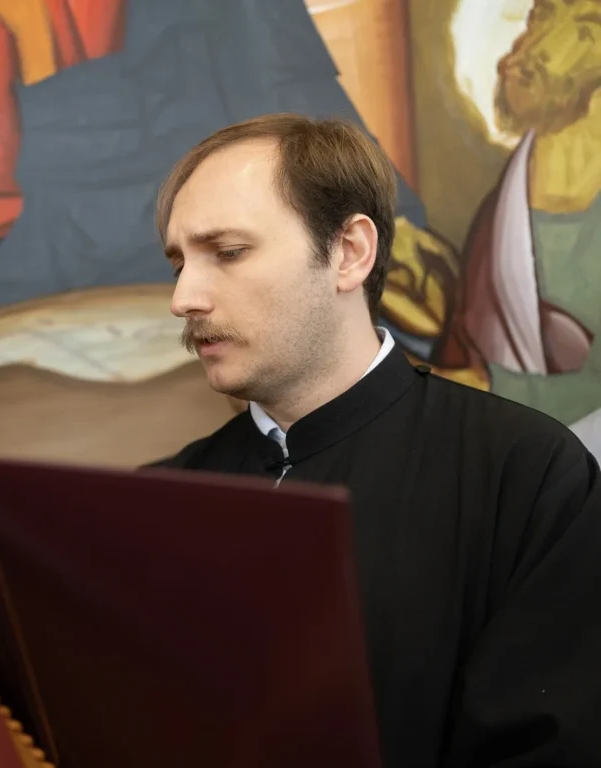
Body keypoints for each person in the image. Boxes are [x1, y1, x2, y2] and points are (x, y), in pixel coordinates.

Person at [151, 113, 601, 767]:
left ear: (349, 252)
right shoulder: (161, 496)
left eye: (227, 252)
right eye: (177, 264)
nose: (184, 297)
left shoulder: (525, 472)